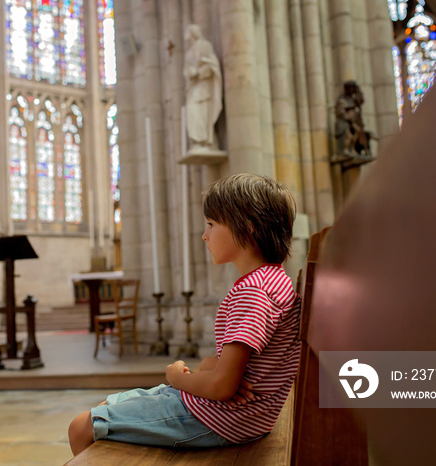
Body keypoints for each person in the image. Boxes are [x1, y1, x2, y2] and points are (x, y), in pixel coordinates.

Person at [68, 173, 301, 455]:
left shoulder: (253, 292)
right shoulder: (275, 280)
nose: (205, 235)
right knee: (107, 406)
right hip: (240, 416)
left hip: (220, 419)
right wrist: (212, 371)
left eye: (212, 224)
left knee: (81, 427)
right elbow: (232, 369)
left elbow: (221, 385)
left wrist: (176, 377)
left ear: (247, 227)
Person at [183, 24, 223, 153]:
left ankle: (206, 140)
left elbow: (212, 65)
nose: (185, 34)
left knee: (201, 110)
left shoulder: (204, 45)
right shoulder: (189, 52)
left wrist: (198, 72)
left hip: (204, 85)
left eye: (187, 31)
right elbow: (186, 70)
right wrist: (189, 73)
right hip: (194, 86)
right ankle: (199, 140)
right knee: (193, 110)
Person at [334, 80, 371, 159]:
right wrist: (348, 117)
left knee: (358, 132)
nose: (351, 90)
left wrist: (359, 92)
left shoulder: (352, 99)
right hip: (345, 122)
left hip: (352, 121)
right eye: (350, 88)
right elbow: (341, 112)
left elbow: (360, 101)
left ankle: (353, 149)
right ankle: (345, 150)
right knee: (348, 136)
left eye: (353, 88)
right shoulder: (342, 99)